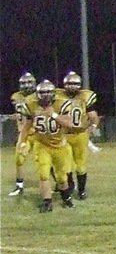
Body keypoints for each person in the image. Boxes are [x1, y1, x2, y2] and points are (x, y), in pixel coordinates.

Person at [17, 80, 74, 212]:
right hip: (42, 145)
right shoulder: (31, 105)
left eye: (48, 92)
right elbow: (26, 127)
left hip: (60, 146)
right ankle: (47, 202)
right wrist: (22, 142)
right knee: (43, 174)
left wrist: (53, 114)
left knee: (62, 178)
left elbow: (69, 124)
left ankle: (66, 198)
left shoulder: (61, 104)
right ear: (37, 94)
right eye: (43, 92)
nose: (46, 95)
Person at [58, 71, 101, 200]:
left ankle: (81, 190)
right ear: (65, 84)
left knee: (81, 165)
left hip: (80, 134)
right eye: (70, 84)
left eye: (75, 84)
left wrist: (93, 127)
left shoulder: (85, 97)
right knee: (66, 164)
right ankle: (70, 187)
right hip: (64, 135)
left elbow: (93, 115)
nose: (72, 86)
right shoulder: (57, 96)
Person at [8, 72, 36, 196]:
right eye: (24, 83)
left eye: (29, 82)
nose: (26, 85)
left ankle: (59, 183)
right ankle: (19, 186)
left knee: (47, 161)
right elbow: (21, 114)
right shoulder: (15, 96)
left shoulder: (39, 96)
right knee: (19, 159)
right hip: (24, 134)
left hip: (39, 133)